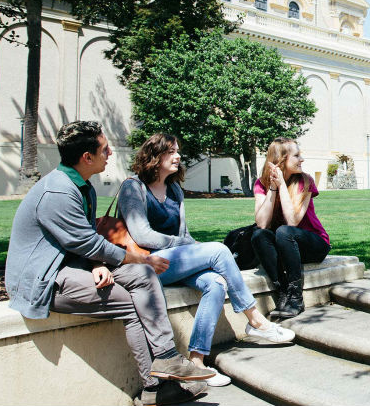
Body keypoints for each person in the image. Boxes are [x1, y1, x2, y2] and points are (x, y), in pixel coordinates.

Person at [5, 121, 212, 406]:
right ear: (86, 157)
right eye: (104, 149)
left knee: (142, 276)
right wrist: (138, 256)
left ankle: (166, 358)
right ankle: (154, 388)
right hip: (44, 278)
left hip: (73, 266)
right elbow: (88, 244)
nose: (111, 152)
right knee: (129, 299)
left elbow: (83, 240)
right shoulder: (58, 192)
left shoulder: (82, 187)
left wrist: (95, 265)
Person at [118, 133, 294, 387]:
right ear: (154, 156)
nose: (178, 156)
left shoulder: (174, 189)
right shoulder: (133, 187)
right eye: (171, 151)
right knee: (217, 251)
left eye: (178, 151)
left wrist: (195, 247)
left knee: (215, 283)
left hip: (174, 260)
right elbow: (142, 235)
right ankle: (255, 320)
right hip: (146, 265)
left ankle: (197, 361)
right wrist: (192, 247)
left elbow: (183, 235)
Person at [252, 138, 331, 319]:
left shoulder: (305, 181)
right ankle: (283, 293)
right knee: (259, 235)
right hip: (286, 245)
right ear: (281, 160)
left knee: (284, 231)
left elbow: (292, 221)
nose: (301, 159)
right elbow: (262, 223)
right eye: (296, 156)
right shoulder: (261, 184)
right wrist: (272, 188)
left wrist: (282, 186)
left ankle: (296, 297)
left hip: (314, 243)